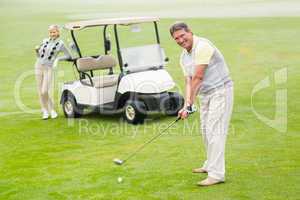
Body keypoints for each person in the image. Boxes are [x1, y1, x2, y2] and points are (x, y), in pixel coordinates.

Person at [170, 22, 234, 186]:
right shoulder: (184, 56)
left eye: (182, 35)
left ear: (190, 32)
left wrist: (189, 104)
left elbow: (198, 77)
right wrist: (186, 105)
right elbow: (189, 81)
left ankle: (217, 174)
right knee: (206, 130)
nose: (180, 40)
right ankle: (210, 165)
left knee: (215, 131)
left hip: (221, 91)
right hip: (205, 95)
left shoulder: (203, 46)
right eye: (176, 38)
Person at [34, 25, 72, 119]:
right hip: (38, 66)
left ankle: (51, 109)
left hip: (48, 68)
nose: (52, 34)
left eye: (54, 32)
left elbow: (69, 56)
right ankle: (45, 111)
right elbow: (39, 56)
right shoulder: (45, 41)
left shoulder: (61, 44)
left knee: (44, 91)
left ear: (58, 32)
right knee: (40, 90)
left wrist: (57, 59)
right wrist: (36, 51)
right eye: (50, 32)